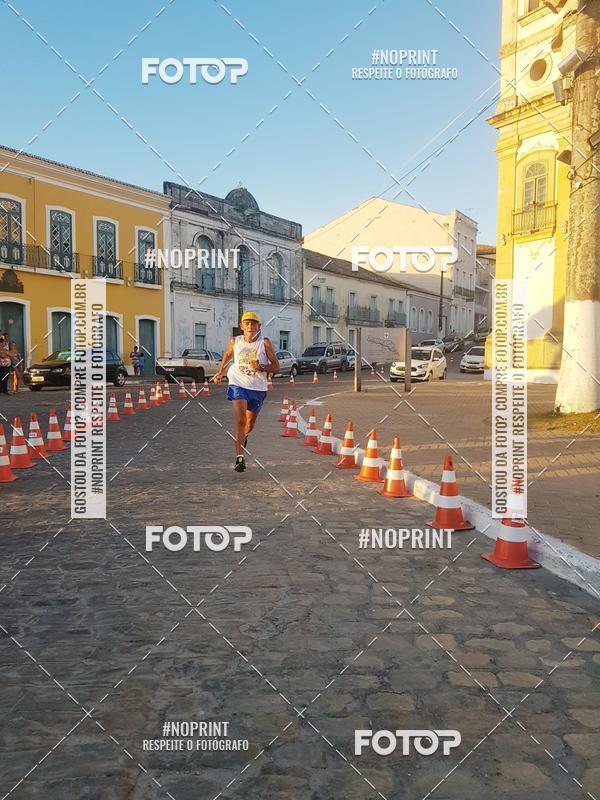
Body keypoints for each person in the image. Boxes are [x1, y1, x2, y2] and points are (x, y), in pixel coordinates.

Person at [214, 312, 280, 472]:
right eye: (247, 323)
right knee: (241, 421)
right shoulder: (234, 341)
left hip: (257, 388)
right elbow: (227, 355)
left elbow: (276, 367)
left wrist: (262, 367)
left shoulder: (264, 344)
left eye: (253, 323)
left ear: (259, 326)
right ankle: (239, 458)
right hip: (237, 383)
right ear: (241, 326)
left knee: (249, 424)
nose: (250, 326)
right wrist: (220, 372)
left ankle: (245, 436)